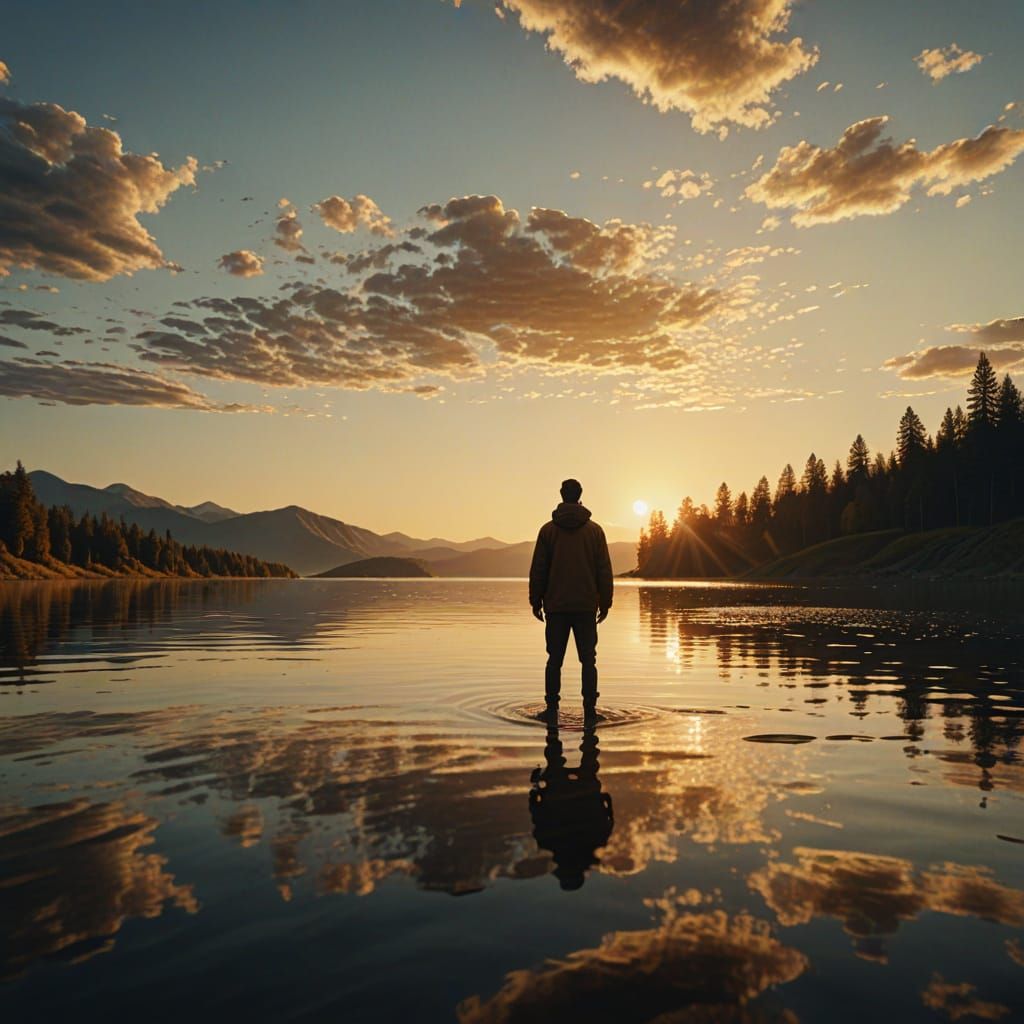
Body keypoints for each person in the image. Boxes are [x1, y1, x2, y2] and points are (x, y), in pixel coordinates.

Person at [528, 478, 613, 712]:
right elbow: (604, 570)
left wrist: (536, 601)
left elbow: (539, 569)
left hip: (555, 606)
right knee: (588, 660)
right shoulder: (595, 532)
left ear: (562, 495)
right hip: (586, 606)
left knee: (554, 660)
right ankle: (590, 709)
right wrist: (605, 603)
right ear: (580, 495)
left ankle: (551, 708)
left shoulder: (547, 531)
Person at [528, 717, 614, 890]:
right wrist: (536, 789)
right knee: (561, 754)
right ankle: (583, 712)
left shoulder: (597, 842)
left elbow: (608, 814)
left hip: (574, 792)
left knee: (585, 753)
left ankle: (557, 713)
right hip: (573, 792)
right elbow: (535, 809)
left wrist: (537, 789)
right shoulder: (547, 842)